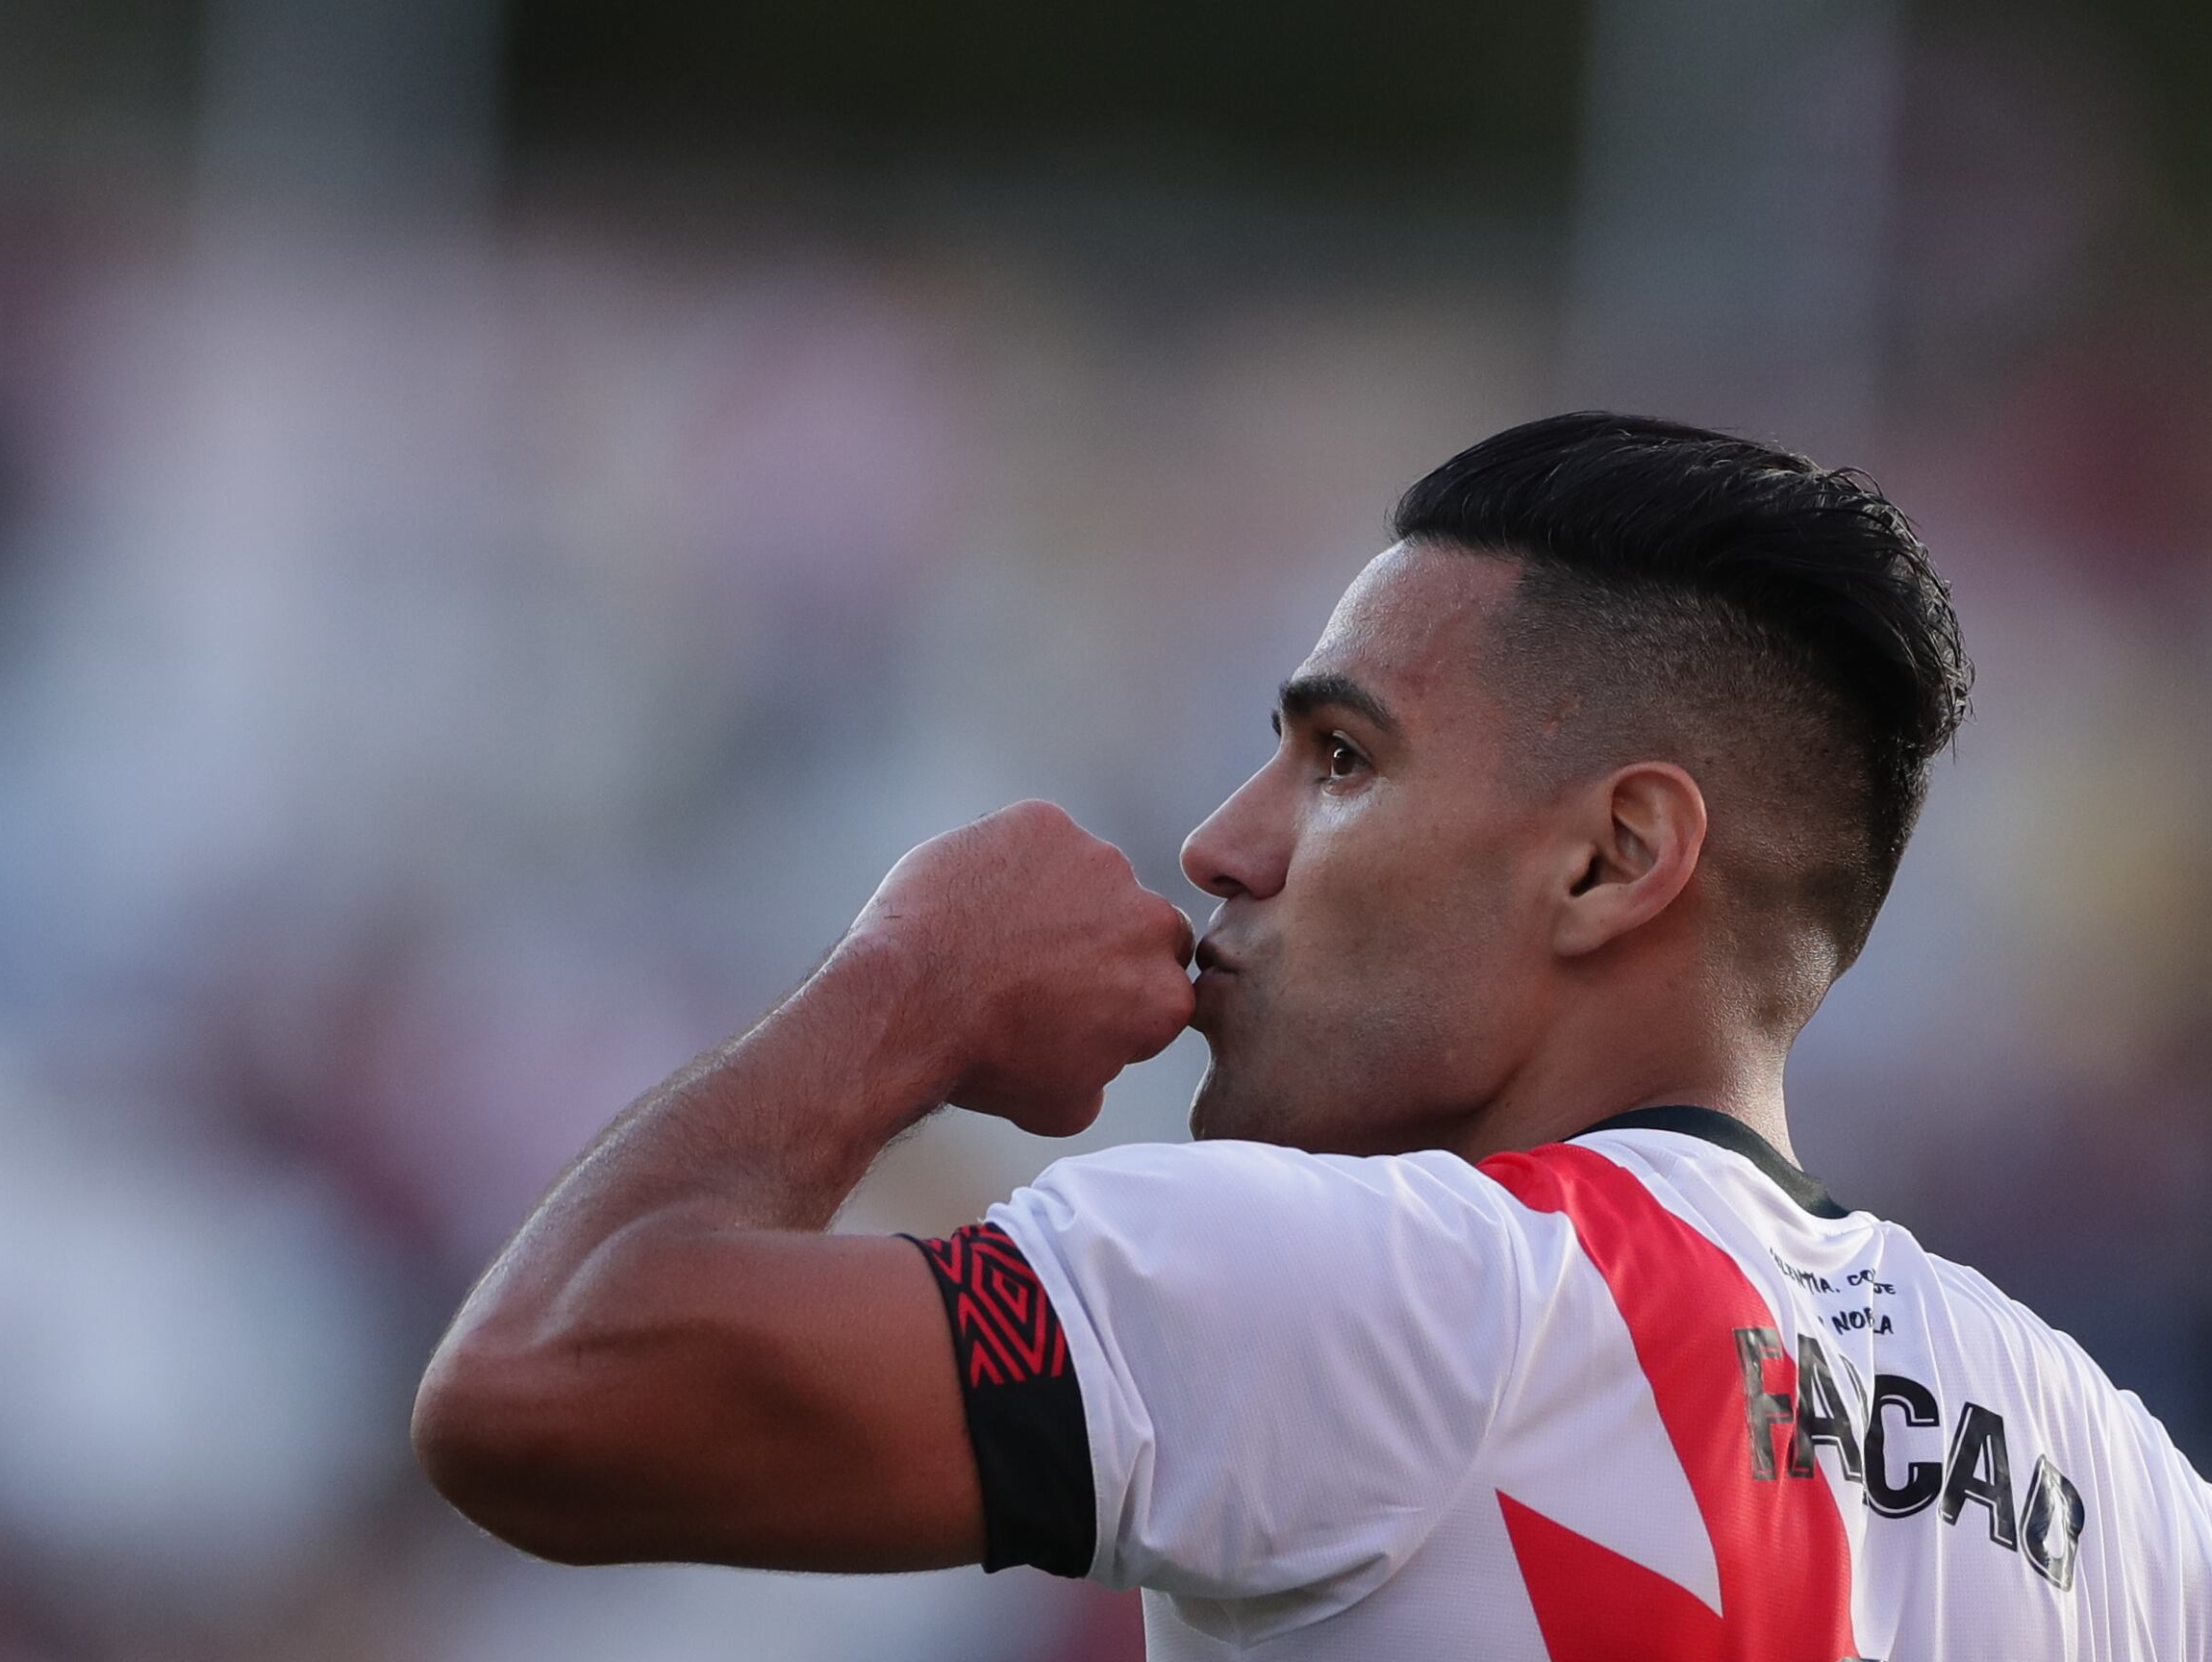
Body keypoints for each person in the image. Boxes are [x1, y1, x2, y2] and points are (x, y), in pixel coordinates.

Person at [411, 413, 2212, 1659]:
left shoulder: (1402, 1291)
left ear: (1612, 859)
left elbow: (544, 1386)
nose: (1222, 846)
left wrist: (914, 980)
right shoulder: (2127, 1488)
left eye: (1341, 761)